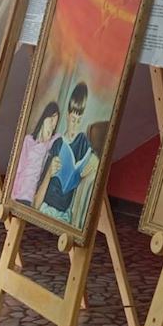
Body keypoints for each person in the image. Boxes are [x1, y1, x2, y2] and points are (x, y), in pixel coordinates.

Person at [34, 82, 98, 225]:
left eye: (79, 121)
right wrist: (50, 171)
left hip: (64, 213)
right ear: (68, 117)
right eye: (73, 120)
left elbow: (95, 157)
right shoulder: (58, 143)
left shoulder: (82, 141)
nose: (75, 126)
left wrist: (94, 162)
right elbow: (40, 191)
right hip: (47, 205)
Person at [11, 102, 60, 205]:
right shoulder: (28, 140)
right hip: (19, 194)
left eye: (55, 124)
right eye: (51, 120)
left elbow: (60, 138)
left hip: (31, 198)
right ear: (44, 118)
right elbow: (19, 168)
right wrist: (12, 196)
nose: (52, 126)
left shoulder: (49, 144)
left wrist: (47, 140)